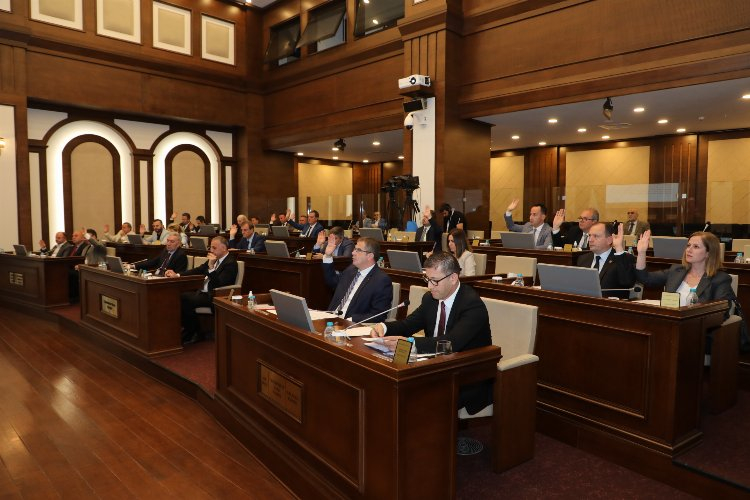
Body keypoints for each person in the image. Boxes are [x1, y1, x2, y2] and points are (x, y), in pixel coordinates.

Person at [371, 252, 492, 415]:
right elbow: (409, 324)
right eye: (427, 279)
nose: (429, 286)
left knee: (415, 398)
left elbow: (451, 343)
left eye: (434, 281)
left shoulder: (471, 304)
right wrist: (383, 327)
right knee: (387, 383)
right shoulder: (430, 299)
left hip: (466, 374)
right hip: (433, 366)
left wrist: (410, 343)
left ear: (453, 278)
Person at [166, 236, 238, 345]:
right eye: (211, 247)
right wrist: (178, 275)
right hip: (203, 292)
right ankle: (190, 329)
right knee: (179, 295)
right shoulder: (215, 259)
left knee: (184, 298)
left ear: (223, 248)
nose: (211, 250)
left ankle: (195, 332)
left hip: (215, 296)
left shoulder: (231, 263)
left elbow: (219, 283)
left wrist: (211, 268)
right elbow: (198, 270)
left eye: (214, 248)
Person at [635, 230, 734, 307]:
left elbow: (723, 311)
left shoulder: (720, 279)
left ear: (708, 253)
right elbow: (645, 278)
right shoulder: (676, 271)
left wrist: (697, 311)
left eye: (696, 247)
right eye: (688, 245)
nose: (689, 250)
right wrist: (641, 253)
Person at [322, 236, 392, 322]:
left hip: (352, 324)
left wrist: (351, 320)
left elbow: (378, 315)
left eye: (358, 250)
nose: (353, 253)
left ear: (369, 256)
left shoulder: (381, 280)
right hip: (331, 318)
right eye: (354, 249)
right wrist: (328, 256)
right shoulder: (351, 270)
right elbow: (333, 282)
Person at [576, 222, 636, 290]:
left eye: (596, 236)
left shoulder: (622, 259)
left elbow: (627, 282)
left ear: (609, 240)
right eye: (589, 236)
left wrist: (618, 248)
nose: (590, 240)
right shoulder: (583, 259)